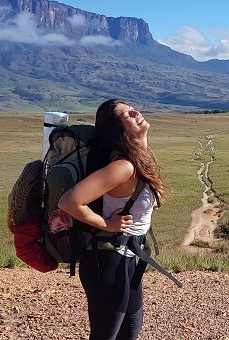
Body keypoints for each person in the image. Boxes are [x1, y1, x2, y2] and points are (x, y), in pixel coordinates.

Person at [58, 98, 167, 340]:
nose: (136, 112)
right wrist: (108, 224)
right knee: (106, 335)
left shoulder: (142, 158)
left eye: (133, 108)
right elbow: (69, 201)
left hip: (129, 254)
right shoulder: (123, 167)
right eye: (127, 114)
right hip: (105, 257)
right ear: (117, 129)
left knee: (129, 332)